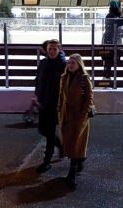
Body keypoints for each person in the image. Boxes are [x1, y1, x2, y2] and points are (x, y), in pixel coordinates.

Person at [57, 53, 95, 189]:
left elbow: (89, 99)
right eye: (69, 62)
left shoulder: (84, 79)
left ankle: (72, 175)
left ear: (79, 64)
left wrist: (83, 114)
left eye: (73, 63)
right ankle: (79, 161)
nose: (70, 65)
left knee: (74, 143)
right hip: (66, 115)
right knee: (70, 143)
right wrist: (59, 111)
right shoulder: (64, 77)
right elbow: (61, 96)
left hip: (79, 117)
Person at [34, 39, 67, 172]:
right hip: (43, 102)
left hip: (55, 104)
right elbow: (38, 79)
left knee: (50, 132)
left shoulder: (63, 64)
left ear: (59, 49)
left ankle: (46, 161)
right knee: (43, 130)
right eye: (50, 49)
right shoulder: (43, 63)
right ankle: (60, 144)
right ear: (46, 50)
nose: (52, 51)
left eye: (54, 49)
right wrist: (37, 94)